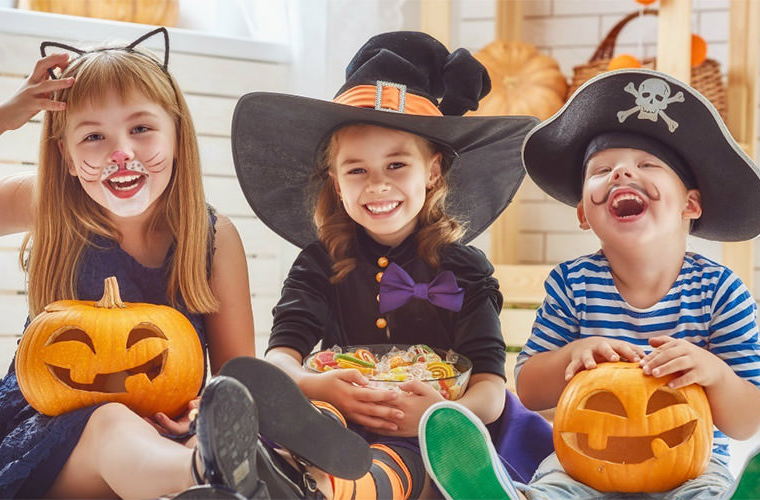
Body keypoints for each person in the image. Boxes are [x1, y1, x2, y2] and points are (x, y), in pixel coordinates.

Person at [0, 28, 368, 500]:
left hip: (171, 431)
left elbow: (233, 377)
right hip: (49, 444)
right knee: (112, 422)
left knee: (221, 422)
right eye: (94, 136)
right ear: (67, 157)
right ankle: (227, 472)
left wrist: (205, 409)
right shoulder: (49, 205)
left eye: (141, 129)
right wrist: (5, 116)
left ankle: (262, 470)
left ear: (177, 136)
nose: (121, 153)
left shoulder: (213, 239)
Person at [419, 68, 760, 499]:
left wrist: (714, 373)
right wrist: (573, 354)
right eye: (602, 169)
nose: (621, 174)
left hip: (689, 463)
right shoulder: (573, 284)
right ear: (583, 215)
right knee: (554, 484)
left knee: (704, 492)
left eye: (647, 165)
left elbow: (748, 421)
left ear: (691, 203)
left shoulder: (721, 292)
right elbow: (531, 390)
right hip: (585, 460)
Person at [229, 31, 553, 500]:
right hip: (338, 415)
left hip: (434, 427)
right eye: (356, 170)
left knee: (415, 452)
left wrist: (440, 415)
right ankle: (268, 468)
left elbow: (489, 389)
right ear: (337, 184)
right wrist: (319, 385)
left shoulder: (465, 271)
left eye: (397, 165)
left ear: (434, 171)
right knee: (319, 423)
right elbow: (281, 357)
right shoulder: (319, 264)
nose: (377, 185)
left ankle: (337, 490)